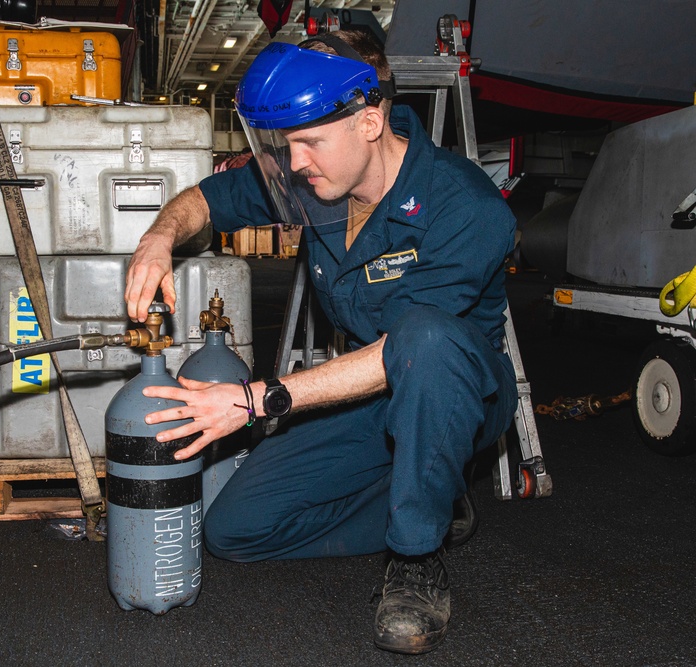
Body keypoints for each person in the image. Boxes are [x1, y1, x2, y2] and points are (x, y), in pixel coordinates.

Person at [123, 28, 517, 655]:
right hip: (365, 392)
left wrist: (257, 401)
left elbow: (405, 351)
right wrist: (158, 238)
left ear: (368, 121)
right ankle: (433, 502)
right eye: (286, 144)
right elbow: (204, 200)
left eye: (308, 141)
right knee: (234, 532)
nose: (295, 161)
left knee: (427, 339)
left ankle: (416, 557)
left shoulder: (462, 204)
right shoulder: (309, 182)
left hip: (454, 392)